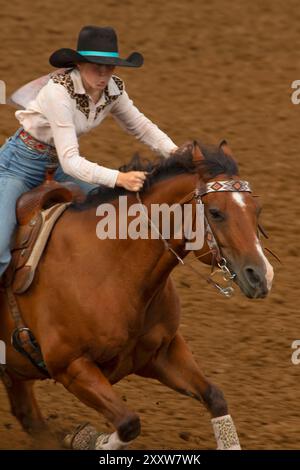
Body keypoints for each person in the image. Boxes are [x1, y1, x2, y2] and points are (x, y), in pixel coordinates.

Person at [0, 25, 178, 280]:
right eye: (96, 66)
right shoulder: (57, 92)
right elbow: (71, 162)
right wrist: (119, 178)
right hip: (16, 165)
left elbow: (140, 126)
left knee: (110, 210)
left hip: (56, 164)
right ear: (79, 64)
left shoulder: (114, 90)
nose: (104, 73)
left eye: (110, 66)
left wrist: (175, 152)